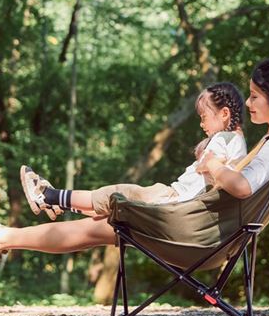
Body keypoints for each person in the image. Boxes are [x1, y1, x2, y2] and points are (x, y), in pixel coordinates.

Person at [0, 56, 269, 265]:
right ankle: (2, 234)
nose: (248, 104)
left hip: (192, 231)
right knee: (97, 225)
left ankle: (9, 230)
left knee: (104, 216)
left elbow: (243, 186)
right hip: (195, 225)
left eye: (254, 96)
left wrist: (213, 165)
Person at [20, 82, 247, 221]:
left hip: (173, 200)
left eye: (204, 117)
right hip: (176, 201)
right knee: (110, 205)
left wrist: (204, 158)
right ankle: (56, 202)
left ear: (224, 113)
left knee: (114, 195)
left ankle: (47, 196)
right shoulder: (238, 143)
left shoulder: (223, 138)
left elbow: (208, 163)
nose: (201, 124)